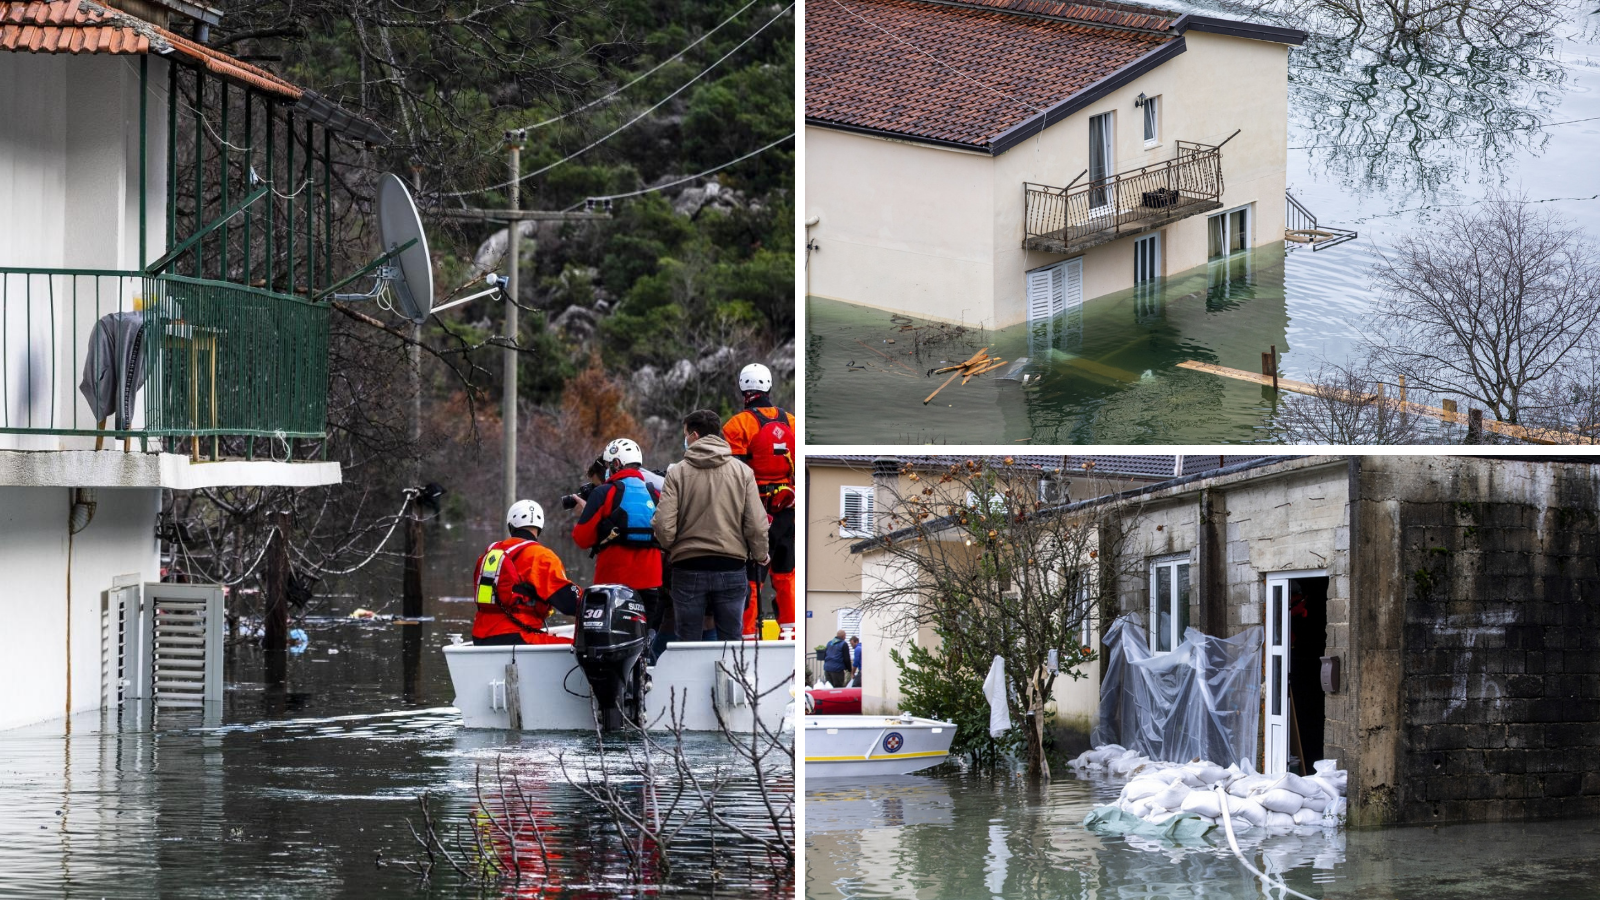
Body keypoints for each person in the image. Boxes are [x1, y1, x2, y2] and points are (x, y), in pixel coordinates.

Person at [653, 409, 769, 641]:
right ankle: (731, 678)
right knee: (731, 641)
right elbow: (756, 524)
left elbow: (664, 526)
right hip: (731, 566)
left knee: (688, 642)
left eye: (685, 434)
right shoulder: (743, 472)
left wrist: (671, 547)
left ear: (694, 436)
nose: (684, 440)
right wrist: (760, 554)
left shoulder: (676, 473)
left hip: (687, 566)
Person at [722, 363, 797, 639]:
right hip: (788, 510)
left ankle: (747, 634)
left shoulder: (738, 425)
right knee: (787, 573)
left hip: (756, 511)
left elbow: (735, 474)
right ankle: (790, 633)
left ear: (743, 387)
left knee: (752, 577)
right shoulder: (791, 421)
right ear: (768, 386)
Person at [572, 437, 665, 648]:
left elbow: (581, 538)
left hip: (611, 585)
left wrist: (586, 514)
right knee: (641, 645)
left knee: (611, 645)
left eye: (607, 466)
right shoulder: (655, 493)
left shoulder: (604, 493)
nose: (606, 471)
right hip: (651, 584)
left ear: (615, 464)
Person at [472, 500, 581, 645]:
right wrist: (594, 603)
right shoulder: (541, 556)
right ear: (540, 527)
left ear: (511, 526)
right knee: (580, 644)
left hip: (480, 637)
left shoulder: (490, 553)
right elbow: (569, 604)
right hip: (517, 636)